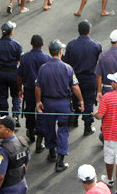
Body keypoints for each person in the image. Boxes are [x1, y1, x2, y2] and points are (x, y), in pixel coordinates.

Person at [35, 39, 84, 172]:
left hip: (48, 103)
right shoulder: (67, 68)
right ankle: (60, 161)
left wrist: (38, 102)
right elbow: (75, 87)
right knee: (63, 130)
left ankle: (51, 152)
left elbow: (38, 87)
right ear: (61, 52)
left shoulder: (43, 68)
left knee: (49, 128)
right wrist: (81, 100)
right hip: (63, 104)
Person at [63, 20, 102, 135]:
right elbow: (100, 61)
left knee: (75, 99)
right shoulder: (96, 45)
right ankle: (88, 125)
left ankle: (74, 119)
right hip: (90, 78)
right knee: (89, 101)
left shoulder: (71, 45)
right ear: (89, 31)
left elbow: (66, 62)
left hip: (75, 77)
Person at [0, 116, 30, 194]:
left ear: (7, 130)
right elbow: (26, 163)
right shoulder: (22, 142)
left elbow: (0, 177)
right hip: (22, 185)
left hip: (8, 191)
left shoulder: (2, 151)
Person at [17, 34, 51, 146]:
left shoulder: (24, 57)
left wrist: (20, 89)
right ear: (42, 45)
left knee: (30, 111)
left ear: (31, 44)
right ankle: (40, 139)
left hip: (29, 89)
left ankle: (30, 131)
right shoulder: (47, 58)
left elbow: (20, 75)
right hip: (44, 90)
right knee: (41, 111)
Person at [0, 21, 23, 123]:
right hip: (13, 73)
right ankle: (16, 116)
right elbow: (21, 61)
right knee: (16, 95)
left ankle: (4, 118)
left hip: (0, 73)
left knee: (2, 96)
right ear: (11, 32)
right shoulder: (16, 45)